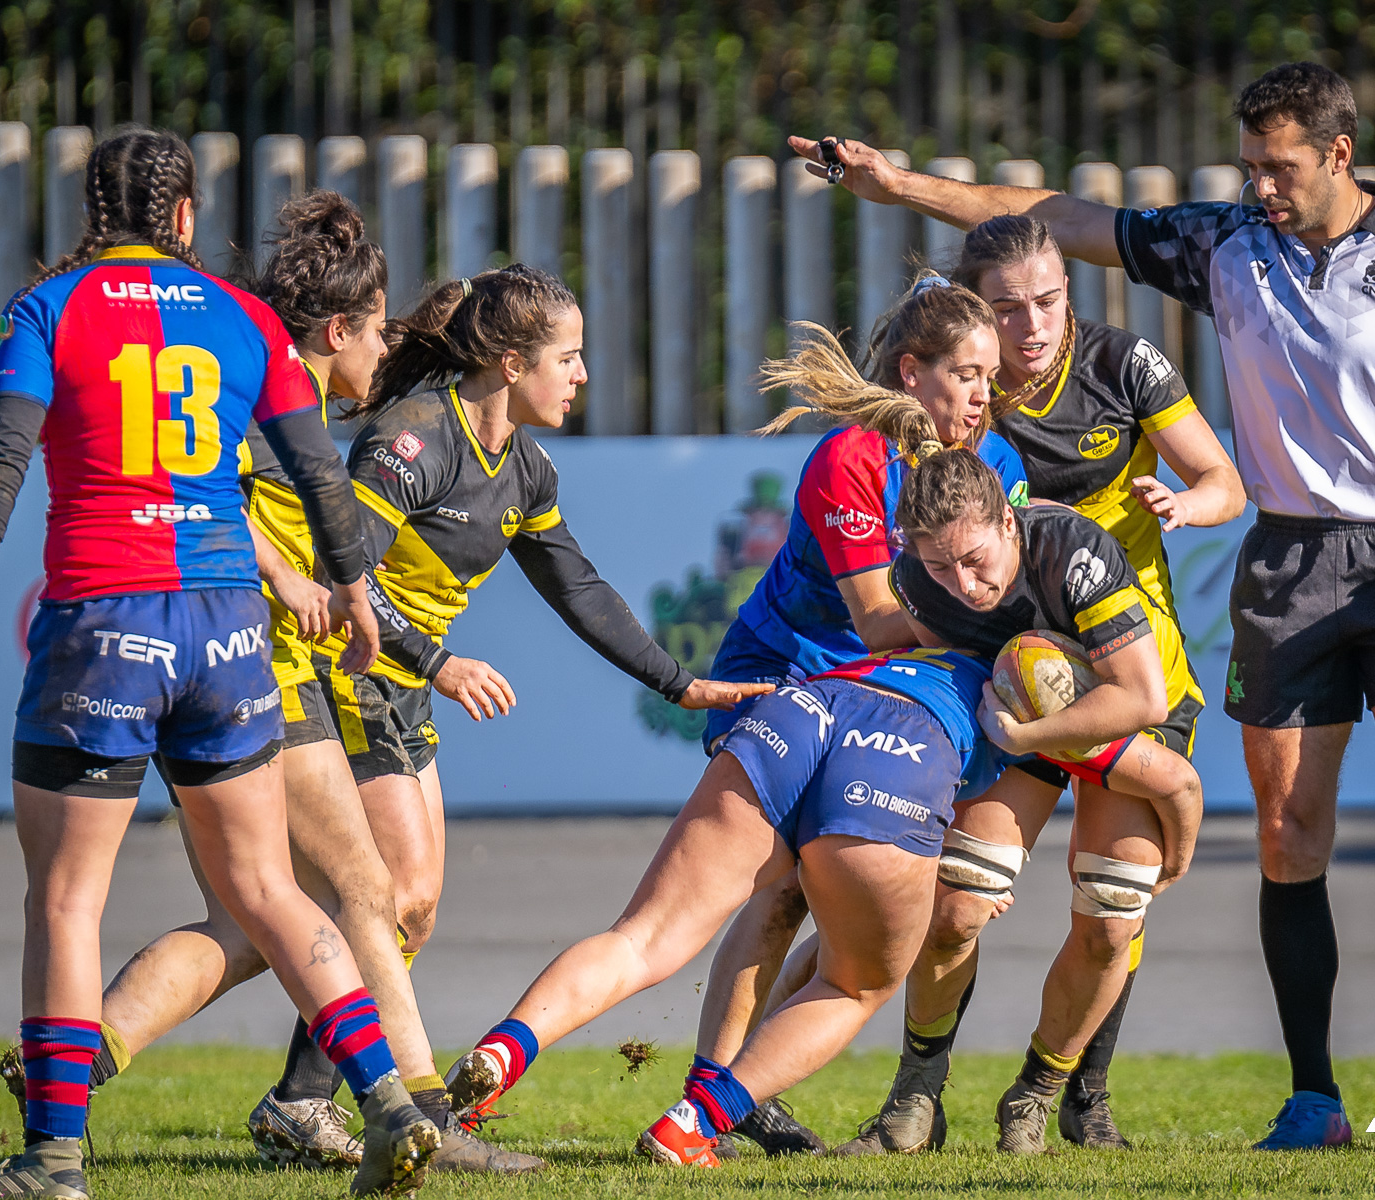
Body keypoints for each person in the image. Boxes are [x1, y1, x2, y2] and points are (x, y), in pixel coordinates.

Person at [793, 59, 1375, 1150]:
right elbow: (1051, 217)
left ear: (1338, 153)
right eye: (1248, 166)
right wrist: (899, 187)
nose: (1258, 186)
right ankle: (1313, 1101)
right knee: (1285, 835)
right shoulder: (1225, 242)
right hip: (1278, 568)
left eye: (1278, 167)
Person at [0, 128, 436, 1199]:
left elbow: (2, 455)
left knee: (66, 901)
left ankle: (54, 1161)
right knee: (265, 887)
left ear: (92, 212)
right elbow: (316, 472)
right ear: (187, 217)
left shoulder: (47, 309)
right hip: (225, 626)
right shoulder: (243, 316)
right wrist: (353, 591)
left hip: (103, 621)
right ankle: (389, 1104)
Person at [0, 191, 542, 1177]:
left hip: (217, 660)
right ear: (336, 331)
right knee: (362, 893)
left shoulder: (263, 374)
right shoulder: (254, 383)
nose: (384, 351)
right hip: (245, 668)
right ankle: (413, 1111)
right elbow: (197, 487)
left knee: (253, 917)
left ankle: (80, 1058)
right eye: (375, 330)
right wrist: (293, 579)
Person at [810, 213, 1246, 1156]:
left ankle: (1061, 1094)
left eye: (1048, 300)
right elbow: (884, 493)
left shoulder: (1122, 365)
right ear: (974, 317)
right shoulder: (962, 396)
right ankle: (914, 1100)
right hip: (1016, 668)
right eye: (1007, 309)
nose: (1033, 326)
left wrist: (1184, 503)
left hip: (1124, 661)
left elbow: (1225, 482)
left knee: (1115, 908)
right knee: (959, 900)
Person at [441, 465, 1010, 1168]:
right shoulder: (1026, 616)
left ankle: (500, 1053)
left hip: (804, 705)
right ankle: (696, 1121)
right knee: (854, 982)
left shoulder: (917, 563)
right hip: (899, 749)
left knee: (643, 938)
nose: (965, 580)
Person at [309, 261, 771, 1049]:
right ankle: (347, 1086)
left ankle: (304, 1090)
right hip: (350, 672)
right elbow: (340, 580)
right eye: (568, 357)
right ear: (512, 364)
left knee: (408, 912)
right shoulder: (414, 439)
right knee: (389, 898)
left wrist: (680, 684)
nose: (583, 375)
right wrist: (438, 663)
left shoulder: (524, 468)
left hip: (401, 680)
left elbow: (578, 589)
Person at [681, 276, 1029, 1155]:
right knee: (778, 891)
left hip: (884, 691)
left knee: (841, 902)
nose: (986, 395)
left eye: (991, 376)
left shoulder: (1001, 464)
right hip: (788, 672)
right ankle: (709, 1095)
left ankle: (737, 1090)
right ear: (912, 373)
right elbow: (879, 621)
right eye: (968, 374)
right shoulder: (853, 456)